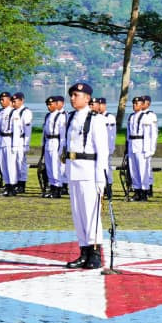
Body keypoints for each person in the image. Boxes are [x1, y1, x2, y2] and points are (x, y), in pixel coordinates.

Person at [62, 82, 111, 270]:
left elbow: (102, 152)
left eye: (76, 95)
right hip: (74, 171)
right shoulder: (71, 118)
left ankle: (95, 252)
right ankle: (84, 251)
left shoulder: (96, 120)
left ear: (87, 98)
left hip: (89, 172)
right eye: (72, 95)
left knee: (91, 214)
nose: (73, 98)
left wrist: (101, 179)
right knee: (78, 215)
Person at [41, 95, 68, 199]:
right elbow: (44, 132)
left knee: (56, 166)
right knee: (49, 167)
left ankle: (57, 188)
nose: (48, 106)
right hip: (48, 141)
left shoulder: (60, 116)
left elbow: (62, 135)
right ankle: (52, 187)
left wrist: (61, 149)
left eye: (50, 104)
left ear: (56, 104)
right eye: (47, 104)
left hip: (56, 142)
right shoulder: (48, 116)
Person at [0, 92, 16, 196]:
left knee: (10, 165)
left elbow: (16, 131)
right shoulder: (0, 112)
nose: (1, 101)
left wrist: (15, 145)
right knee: (3, 166)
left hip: (10, 140)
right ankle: (7, 185)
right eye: (0, 99)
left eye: (3, 99)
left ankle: (12, 187)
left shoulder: (13, 113)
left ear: (9, 100)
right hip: (2, 140)